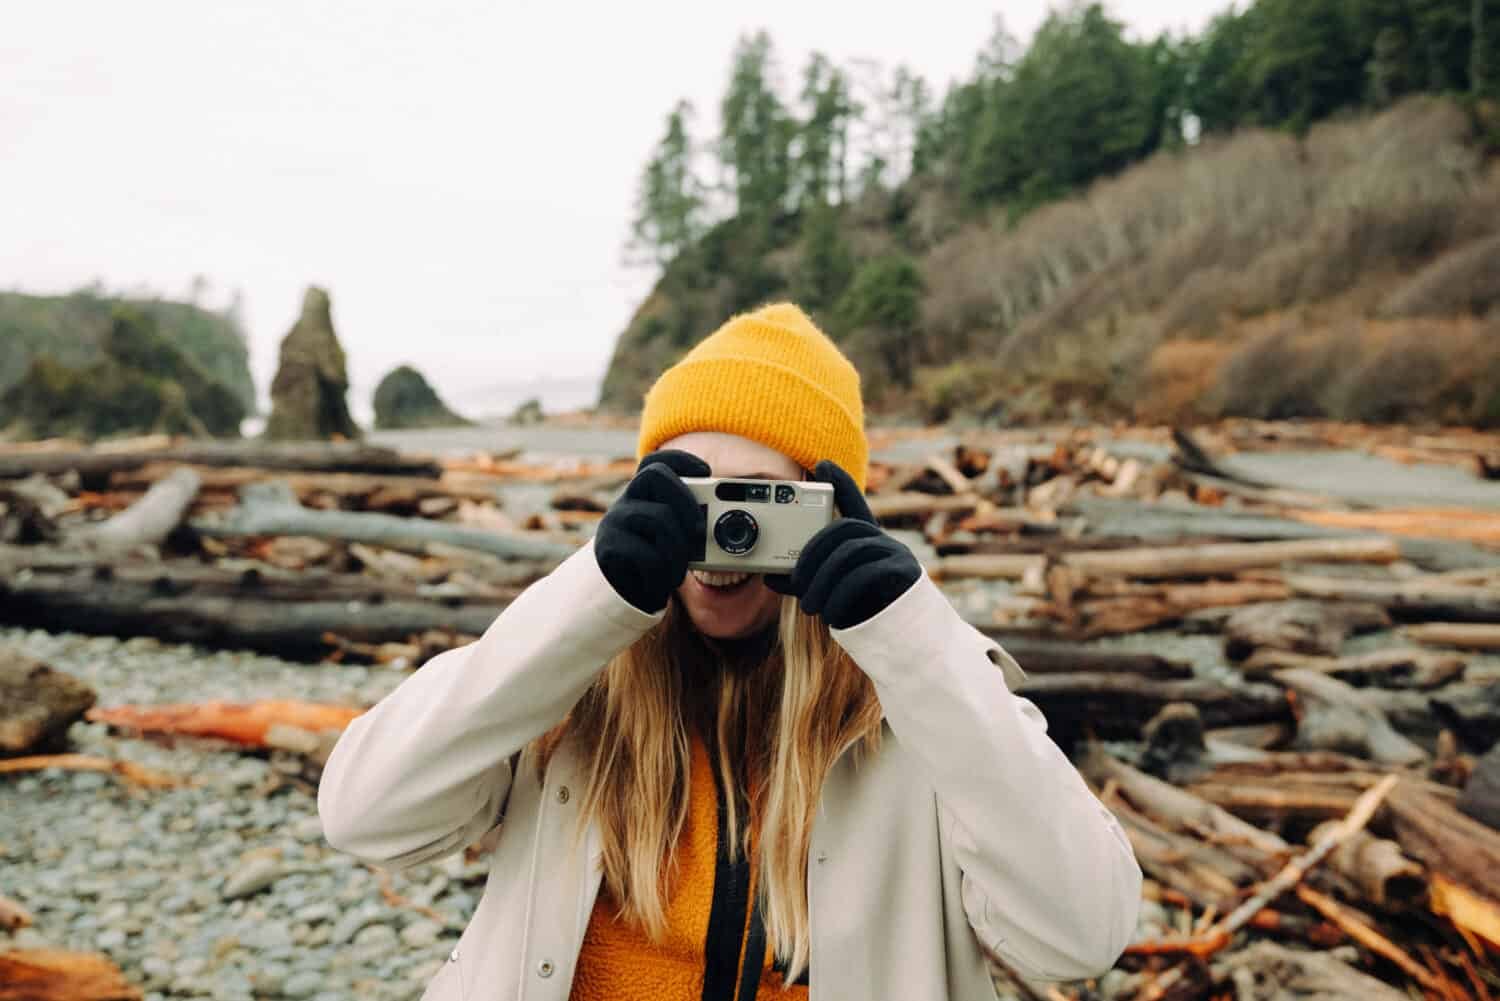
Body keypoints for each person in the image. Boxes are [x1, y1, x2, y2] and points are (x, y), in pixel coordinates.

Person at [318, 303, 1142, 1001]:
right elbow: (363, 813)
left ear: (832, 510)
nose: (723, 538)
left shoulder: (922, 704)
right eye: (694, 496)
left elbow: (1082, 934)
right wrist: (590, 598)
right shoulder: (566, 681)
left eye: (757, 500)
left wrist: (912, 636)